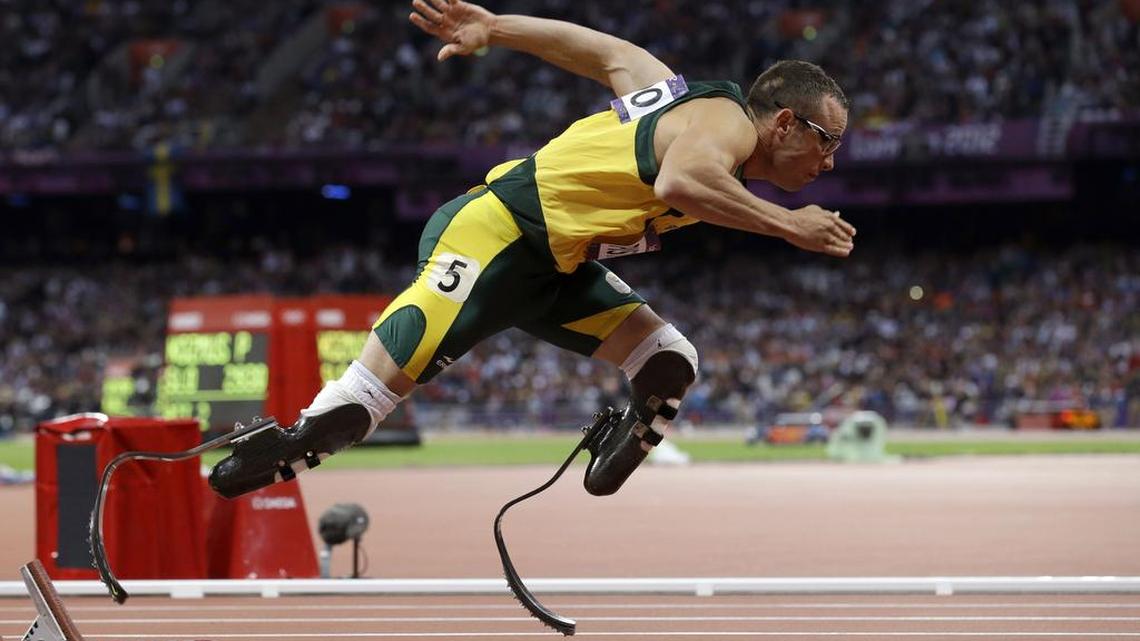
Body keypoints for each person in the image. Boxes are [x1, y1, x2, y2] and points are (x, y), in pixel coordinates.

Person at [208, 0, 856, 499]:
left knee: (668, 360)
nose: (830, 160)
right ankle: (279, 447)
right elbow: (683, 180)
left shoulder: (680, 100)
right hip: (496, 232)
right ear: (784, 123)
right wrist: (787, 223)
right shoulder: (724, 123)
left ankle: (604, 461)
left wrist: (497, 28)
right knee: (367, 399)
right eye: (827, 140)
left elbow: (605, 52)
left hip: (556, 266)